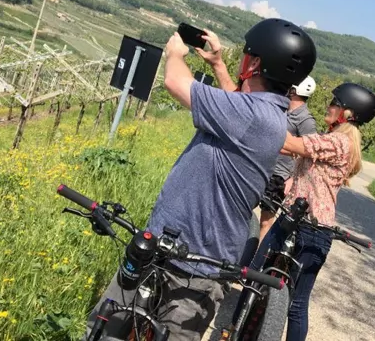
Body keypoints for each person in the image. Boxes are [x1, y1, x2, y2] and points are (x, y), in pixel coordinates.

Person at [83, 18, 317, 341]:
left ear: (256, 63)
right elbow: (237, 100)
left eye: (247, 55)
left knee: (106, 332)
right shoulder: (264, 114)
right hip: (168, 252)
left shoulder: (253, 117)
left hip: (191, 272)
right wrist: (220, 65)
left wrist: (175, 53)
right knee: (105, 330)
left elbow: (175, 83)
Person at [248, 82, 375, 341]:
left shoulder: (340, 143)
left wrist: (263, 109)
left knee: (293, 303)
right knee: (257, 275)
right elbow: (287, 147)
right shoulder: (330, 139)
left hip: (311, 230)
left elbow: (292, 144)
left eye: (335, 104)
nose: (329, 107)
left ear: (348, 114)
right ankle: (241, 328)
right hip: (293, 219)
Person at [258, 76, 318, 243]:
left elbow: (309, 154)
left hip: (279, 175)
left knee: (266, 220)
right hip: (261, 166)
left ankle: (253, 261)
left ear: (295, 90)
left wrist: (292, 179)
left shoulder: (306, 121)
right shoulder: (282, 108)